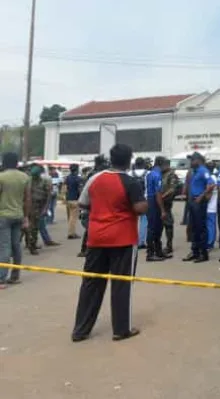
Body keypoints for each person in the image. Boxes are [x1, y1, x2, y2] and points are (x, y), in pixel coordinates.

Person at [71, 144, 148, 342]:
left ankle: (80, 330)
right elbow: (140, 208)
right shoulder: (130, 182)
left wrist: (101, 208)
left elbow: (82, 203)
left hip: (96, 237)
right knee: (121, 283)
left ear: (111, 159)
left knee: (91, 283)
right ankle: (121, 329)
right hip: (122, 238)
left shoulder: (95, 178)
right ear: (129, 160)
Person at [0, 152, 31, 288]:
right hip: (18, 215)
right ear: (16, 163)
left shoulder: (1, 177)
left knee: (4, 247)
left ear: (4, 162)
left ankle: (1, 279)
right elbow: (27, 198)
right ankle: (15, 275)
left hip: (3, 216)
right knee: (16, 246)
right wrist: (26, 217)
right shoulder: (24, 177)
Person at [183, 152, 213, 263]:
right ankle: (194, 251)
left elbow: (211, 184)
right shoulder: (193, 171)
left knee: (201, 228)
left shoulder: (203, 171)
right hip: (192, 201)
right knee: (193, 228)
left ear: (198, 160)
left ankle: (203, 253)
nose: (191, 162)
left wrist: (201, 196)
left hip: (199, 202)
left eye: (192, 160)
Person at [27, 163, 53, 254]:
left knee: (34, 227)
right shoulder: (28, 181)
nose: (34, 177)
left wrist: (45, 208)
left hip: (38, 206)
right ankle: (30, 245)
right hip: (29, 206)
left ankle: (32, 245)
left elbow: (48, 195)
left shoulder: (44, 181)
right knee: (27, 228)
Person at [144, 157, 167, 262]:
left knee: (156, 227)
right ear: (161, 164)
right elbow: (158, 193)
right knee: (153, 228)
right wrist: (162, 210)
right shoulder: (157, 175)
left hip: (149, 200)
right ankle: (150, 253)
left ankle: (158, 251)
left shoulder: (150, 173)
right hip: (153, 201)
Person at [159, 158, 179, 255]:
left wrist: (162, 197)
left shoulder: (171, 175)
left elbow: (172, 189)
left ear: (167, 165)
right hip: (159, 202)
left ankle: (169, 245)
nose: (161, 167)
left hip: (166, 202)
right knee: (159, 224)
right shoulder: (160, 174)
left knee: (168, 224)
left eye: (162, 165)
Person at [64, 164, 83, 239]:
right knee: (73, 218)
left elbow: (65, 189)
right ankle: (71, 234)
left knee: (70, 217)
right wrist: (81, 198)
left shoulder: (67, 178)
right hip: (75, 199)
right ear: (77, 170)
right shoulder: (78, 179)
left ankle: (71, 231)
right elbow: (80, 189)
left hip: (68, 199)